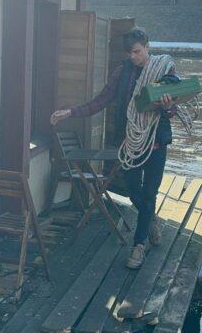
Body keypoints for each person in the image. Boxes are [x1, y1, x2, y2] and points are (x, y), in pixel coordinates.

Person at [50, 28, 176, 269]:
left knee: (149, 193)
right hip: (131, 142)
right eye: (129, 53)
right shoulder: (122, 72)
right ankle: (150, 219)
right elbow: (101, 100)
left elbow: (173, 110)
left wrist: (168, 106)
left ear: (147, 46)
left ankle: (138, 246)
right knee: (132, 190)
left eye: (137, 52)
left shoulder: (164, 70)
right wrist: (71, 112)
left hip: (156, 143)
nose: (133, 57)